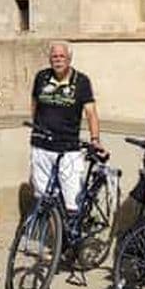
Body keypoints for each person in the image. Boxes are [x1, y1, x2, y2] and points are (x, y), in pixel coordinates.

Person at [29, 41, 104, 211]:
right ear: (49, 59)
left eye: (62, 56)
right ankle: (51, 235)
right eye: (54, 56)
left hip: (68, 147)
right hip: (41, 146)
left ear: (69, 59)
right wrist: (37, 126)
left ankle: (70, 235)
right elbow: (34, 103)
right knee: (43, 198)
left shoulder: (82, 81)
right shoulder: (41, 77)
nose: (58, 60)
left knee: (72, 199)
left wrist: (95, 138)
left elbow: (91, 112)